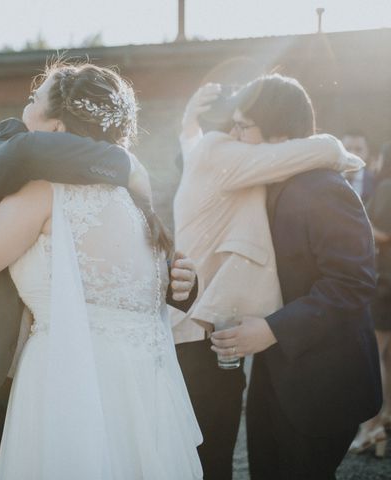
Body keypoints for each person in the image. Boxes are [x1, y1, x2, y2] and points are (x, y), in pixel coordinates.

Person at [0, 60, 199, 480]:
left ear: (56, 129)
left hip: (48, 388)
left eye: (34, 99)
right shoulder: (135, 205)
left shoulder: (42, 190)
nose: (24, 107)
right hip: (106, 395)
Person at [172, 75, 364, 480]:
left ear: (279, 136)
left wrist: (273, 329)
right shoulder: (253, 179)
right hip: (272, 370)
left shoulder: (324, 188)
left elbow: (352, 283)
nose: (233, 134)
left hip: (320, 379)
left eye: (243, 126)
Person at [350, 140, 391, 457]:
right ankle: (383, 420)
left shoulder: (387, 186)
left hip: (385, 282)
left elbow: (385, 234)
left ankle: (371, 427)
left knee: (374, 354)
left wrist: (357, 215)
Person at [342, 129, 376, 203]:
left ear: (367, 152)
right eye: (347, 149)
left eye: (358, 149)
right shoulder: (328, 179)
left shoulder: (375, 182)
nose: (352, 154)